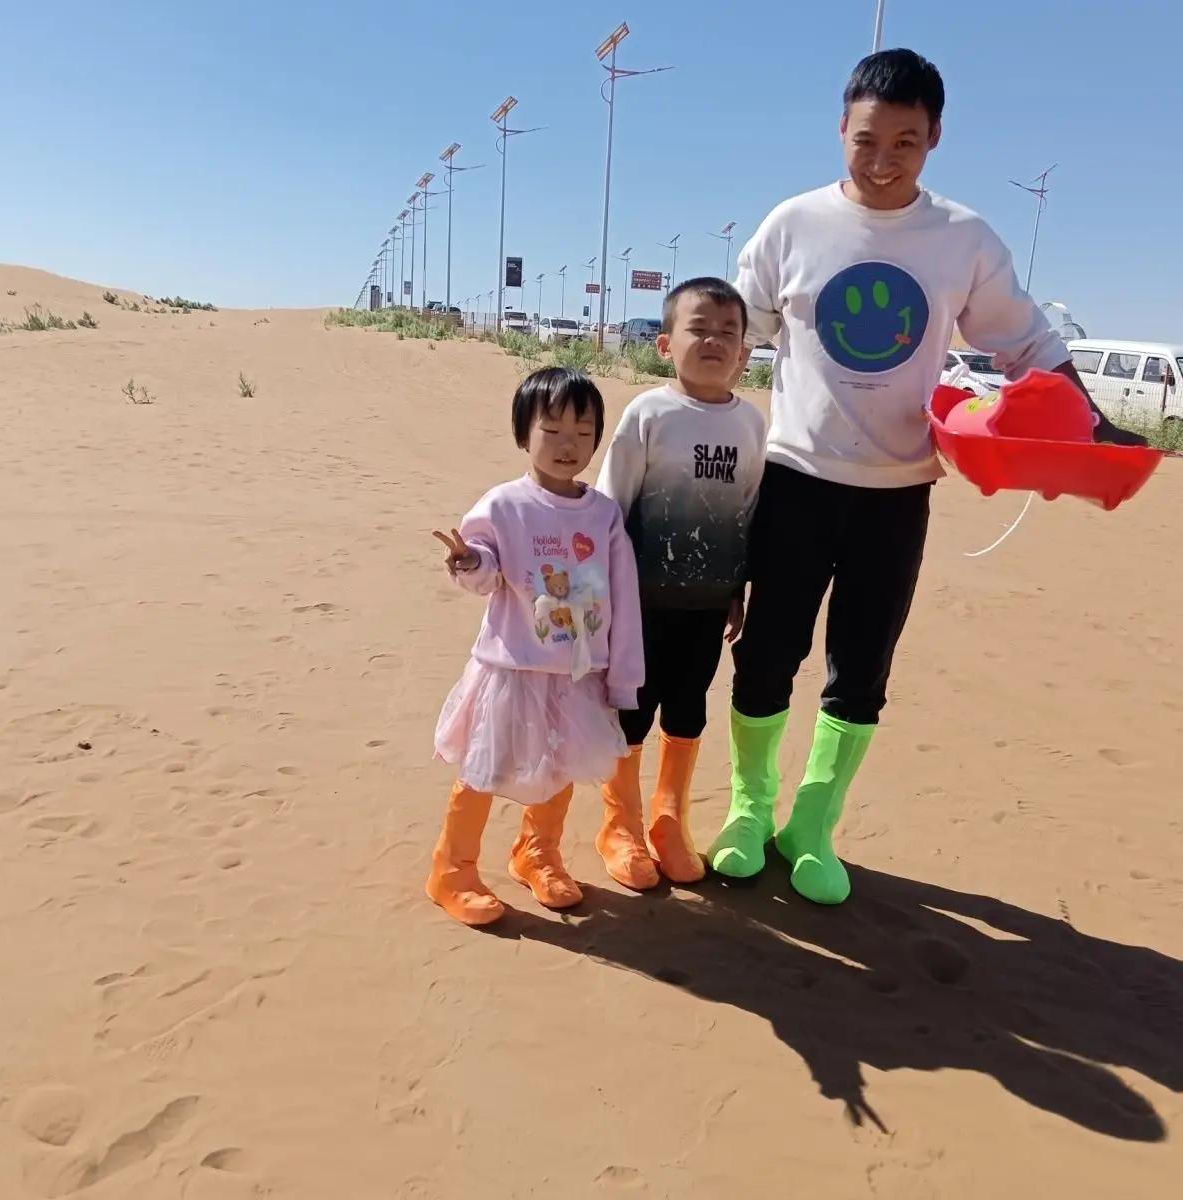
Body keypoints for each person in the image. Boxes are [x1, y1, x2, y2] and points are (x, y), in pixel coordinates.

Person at [707, 48, 1146, 905]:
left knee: (861, 669)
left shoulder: (964, 240)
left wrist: (1094, 422)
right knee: (766, 654)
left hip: (899, 492)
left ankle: (813, 827)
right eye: (866, 140)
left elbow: (1030, 344)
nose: (881, 162)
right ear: (840, 128)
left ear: (934, 138)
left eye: (904, 143)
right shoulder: (793, 224)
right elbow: (731, 333)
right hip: (794, 479)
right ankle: (749, 811)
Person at [428, 367, 644, 927]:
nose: (568, 444)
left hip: (577, 673)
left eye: (583, 430)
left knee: (561, 767)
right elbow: (485, 565)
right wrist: (471, 561)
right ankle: (453, 868)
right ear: (524, 435)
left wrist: (622, 677)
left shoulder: (603, 515)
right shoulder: (504, 505)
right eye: (552, 430)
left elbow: (622, 597)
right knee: (485, 768)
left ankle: (537, 853)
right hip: (513, 668)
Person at [594, 278, 766, 889]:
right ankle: (621, 826)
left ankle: (669, 820)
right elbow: (611, 504)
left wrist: (736, 590)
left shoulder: (751, 423)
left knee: (689, 709)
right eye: (699, 328)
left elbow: (747, 510)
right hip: (639, 603)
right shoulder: (649, 412)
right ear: (666, 343)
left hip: (706, 605)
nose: (715, 341)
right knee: (633, 713)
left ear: (745, 351)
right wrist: (605, 593)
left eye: (729, 332)